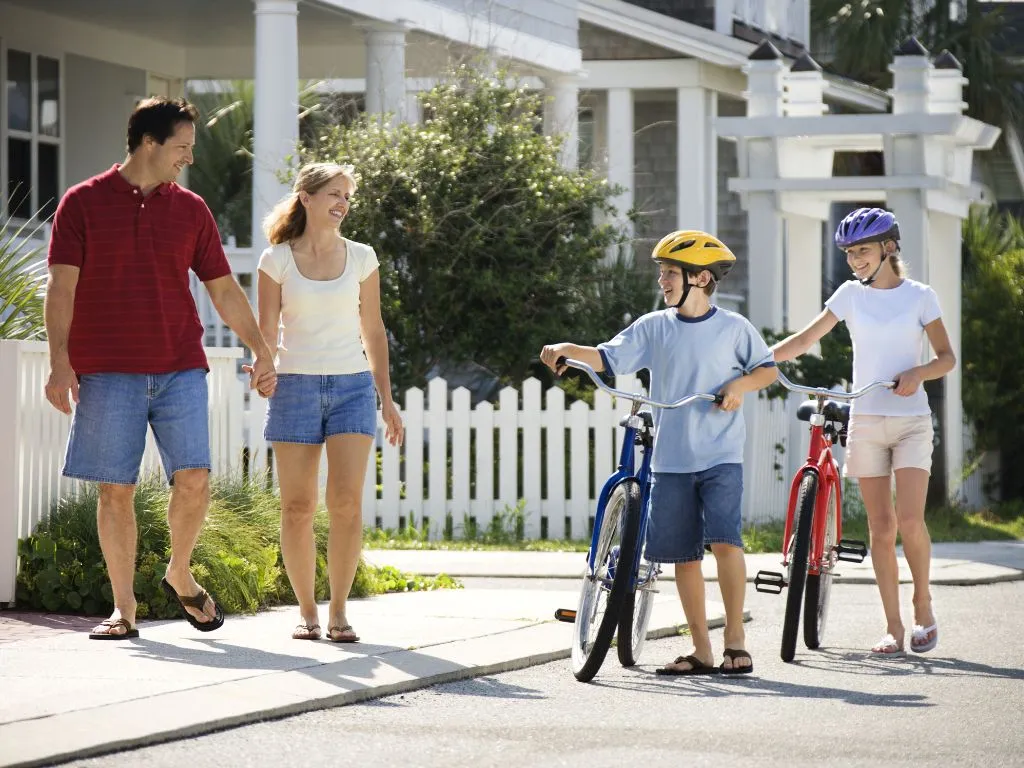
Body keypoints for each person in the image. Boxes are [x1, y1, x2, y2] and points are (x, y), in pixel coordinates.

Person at [44, 97, 277, 640]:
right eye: (182, 147)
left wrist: (262, 349)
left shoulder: (191, 209)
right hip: (107, 371)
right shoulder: (82, 203)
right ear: (149, 142)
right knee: (114, 490)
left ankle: (178, 570)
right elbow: (62, 287)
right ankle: (124, 611)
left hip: (179, 368)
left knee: (194, 479)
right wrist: (60, 362)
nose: (188, 159)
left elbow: (222, 288)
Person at [541, 230, 777, 675]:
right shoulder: (654, 327)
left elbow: (765, 369)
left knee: (726, 541)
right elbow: (607, 357)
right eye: (662, 273)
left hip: (721, 454)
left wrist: (738, 386)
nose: (662, 281)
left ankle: (735, 641)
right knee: (683, 555)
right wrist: (567, 349)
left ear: (701, 278)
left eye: (670, 273)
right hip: (670, 458)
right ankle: (702, 650)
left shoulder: (733, 327)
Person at [772, 207, 955, 655]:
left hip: (910, 421)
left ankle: (922, 603)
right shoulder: (851, 295)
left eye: (863, 251)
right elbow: (803, 340)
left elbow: (946, 357)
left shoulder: (920, 296)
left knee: (910, 521)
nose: (855, 260)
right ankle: (893, 627)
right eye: (850, 253)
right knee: (880, 527)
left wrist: (918, 372)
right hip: (866, 420)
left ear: (889, 247)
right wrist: (756, 361)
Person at [256, 162, 403, 643]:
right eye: (334, 194)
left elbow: (373, 329)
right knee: (297, 507)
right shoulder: (275, 259)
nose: (342, 203)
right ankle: (307, 612)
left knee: (345, 504)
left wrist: (386, 396)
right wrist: (262, 365)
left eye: (347, 196)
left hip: (351, 387)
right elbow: (266, 331)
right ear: (307, 197)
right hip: (293, 387)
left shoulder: (362, 256)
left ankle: (339, 610)